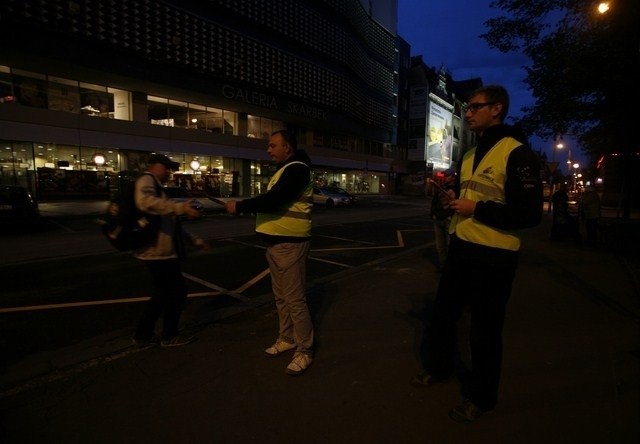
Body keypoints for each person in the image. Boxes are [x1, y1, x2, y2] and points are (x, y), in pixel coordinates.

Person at [411, 85, 543, 423]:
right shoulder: (469, 154)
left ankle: (482, 398)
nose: (467, 113)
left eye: (474, 107)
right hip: (463, 248)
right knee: (442, 315)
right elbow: (472, 198)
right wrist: (454, 198)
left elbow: (529, 215)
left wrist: (476, 208)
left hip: (495, 257)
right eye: (467, 107)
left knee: (484, 330)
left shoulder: (518, 153)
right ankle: (439, 369)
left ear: (496, 109)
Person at [225, 130, 314, 376]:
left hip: (290, 243)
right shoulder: (286, 169)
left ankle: (305, 350)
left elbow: (275, 199)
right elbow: (274, 200)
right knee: (282, 298)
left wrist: (241, 206)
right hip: (277, 243)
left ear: (287, 147)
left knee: (295, 300)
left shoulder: (297, 168)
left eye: (272, 145)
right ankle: (287, 338)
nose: (268, 149)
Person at [132, 154, 209, 348]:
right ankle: (168, 336)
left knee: (161, 293)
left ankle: (143, 335)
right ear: (152, 166)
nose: (168, 170)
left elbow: (170, 224)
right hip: (157, 252)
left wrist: (194, 239)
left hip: (159, 251)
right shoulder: (147, 179)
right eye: (165, 166)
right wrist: (180, 207)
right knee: (177, 291)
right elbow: (144, 202)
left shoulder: (159, 188)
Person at [430, 169, 454, 271]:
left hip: (448, 220)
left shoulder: (456, 189)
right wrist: (433, 214)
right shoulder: (441, 187)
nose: (445, 177)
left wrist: (450, 216)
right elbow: (434, 201)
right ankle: (443, 266)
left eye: (447, 175)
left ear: (453, 177)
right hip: (438, 219)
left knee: (449, 246)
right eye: (444, 175)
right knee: (440, 246)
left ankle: (449, 268)